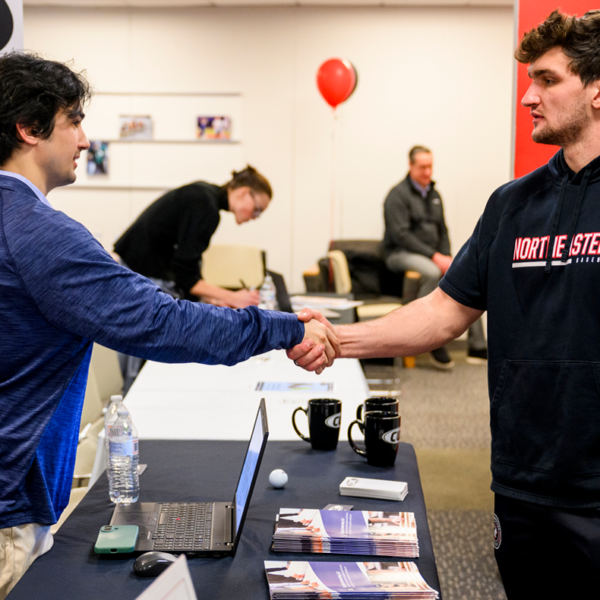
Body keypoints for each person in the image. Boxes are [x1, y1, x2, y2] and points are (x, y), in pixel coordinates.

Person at [0, 52, 337, 598]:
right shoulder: (39, 233)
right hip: (10, 508)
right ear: (29, 128)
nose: (85, 140)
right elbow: (164, 322)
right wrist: (286, 329)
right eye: (74, 121)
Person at [291, 10, 600, 598]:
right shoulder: (512, 204)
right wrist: (337, 341)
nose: (528, 96)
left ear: (596, 89)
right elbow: (444, 311)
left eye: (548, 79)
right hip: (522, 478)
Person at [383, 146, 487, 369]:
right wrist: (435, 257)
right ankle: (429, 336)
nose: (427, 172)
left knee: (467, 272)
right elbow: (400, 235)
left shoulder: (434, 194)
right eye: (422, 167)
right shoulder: (397, 196)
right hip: (400, 254)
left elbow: (443, 231)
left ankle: (477, 346)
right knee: (432, 272)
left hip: (432, 255)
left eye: (430, 166)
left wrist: (448, 257)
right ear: (411, 166)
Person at [114, 165, 271, 307]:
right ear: (243, 192)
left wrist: (215, 299)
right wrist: (232, 297)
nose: (255, 216)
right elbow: (186, 277)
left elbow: (188, 266)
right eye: (257, 209)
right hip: (140, 272)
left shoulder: (205, 194)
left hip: (137, 267)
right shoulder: (207, 207)